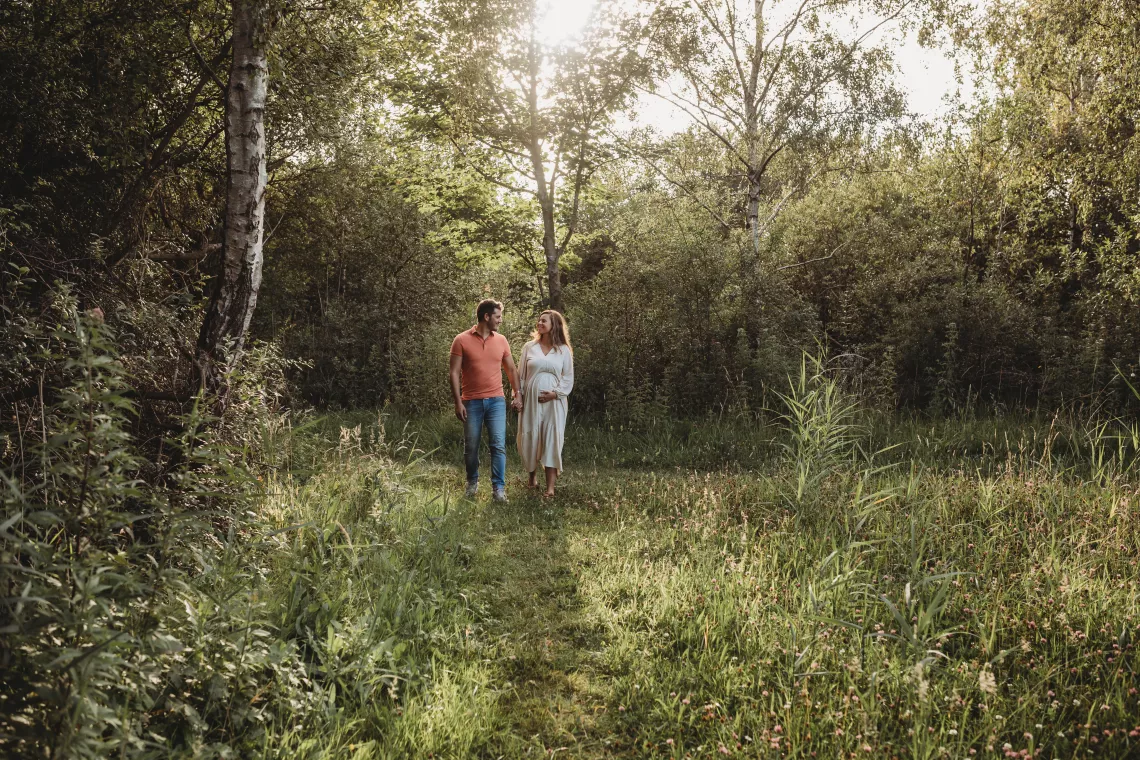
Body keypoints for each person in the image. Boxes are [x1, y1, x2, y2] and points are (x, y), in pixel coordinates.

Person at [450, 299, 523, 502]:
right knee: (471, 446)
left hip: (496, 401)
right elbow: (454, 373)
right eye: (498, 317)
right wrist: (458, 402)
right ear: (487, 317)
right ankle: (472, 483)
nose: (500, 320)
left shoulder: (501, 340)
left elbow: (511, 369)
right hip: (471, 402)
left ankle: (499, 489)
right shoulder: (461, 340)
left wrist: (517, 393)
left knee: (498, 445)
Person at [516, 310, 574, 497]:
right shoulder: (529, 347)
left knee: (552, 439)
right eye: (539, 320)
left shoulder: (563, 350)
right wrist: (518, 397)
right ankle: (532, 476)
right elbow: (521, 376)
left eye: (544, 320)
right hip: (531, 401)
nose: (539, 323)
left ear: (554, 325)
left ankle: (550, 488)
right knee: (531, 435)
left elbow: (568, 378)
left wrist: (555, 394)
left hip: (555, 403)